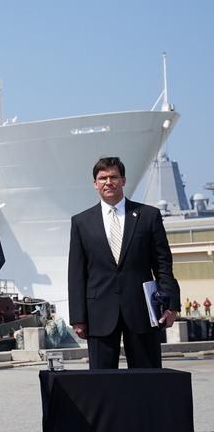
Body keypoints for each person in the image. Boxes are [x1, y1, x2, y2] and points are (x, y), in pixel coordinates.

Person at [68, 156, 180, 369]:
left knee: (146, 379)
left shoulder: (149, 216)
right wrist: (77, 317)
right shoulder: (81, 222)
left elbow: (163, 266)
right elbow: (76, 274)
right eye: (103, 178)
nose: (108, 182)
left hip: (142, 312)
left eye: (113, 177)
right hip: (98, 314)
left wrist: (171, 305)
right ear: (95, 184)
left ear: (123, 180)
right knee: (102, 381)